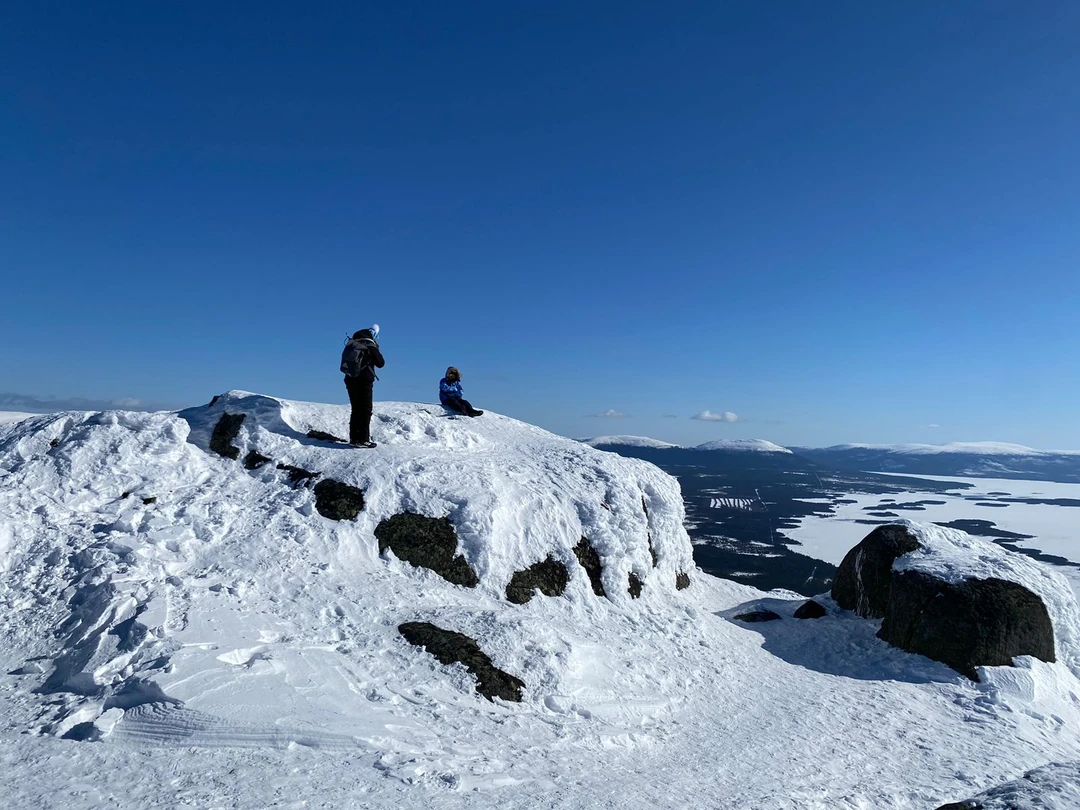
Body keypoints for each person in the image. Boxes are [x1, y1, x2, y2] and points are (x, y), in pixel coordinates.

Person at [340, 326, 385, 447]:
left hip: (350, 378)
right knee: (365, 409)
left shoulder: (352, 343)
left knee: (355, 409)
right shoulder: (369, 344)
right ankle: (363, 440)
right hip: (364, 380)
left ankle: (354, 439)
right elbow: (381, 363)